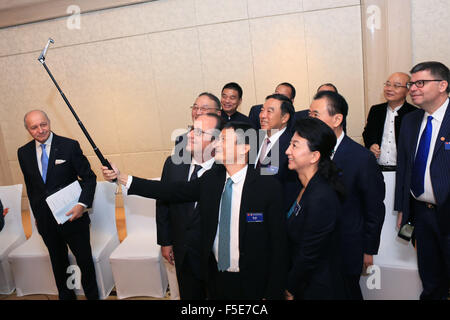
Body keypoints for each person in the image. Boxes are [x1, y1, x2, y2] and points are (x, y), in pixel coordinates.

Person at [103, 122, 288, 300]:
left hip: (253, 282)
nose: (216, 144)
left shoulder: (268, 187)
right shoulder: (211, 180)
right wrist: (122, 178)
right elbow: (171, 191)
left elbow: (279, 247)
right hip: (216, 278)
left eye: (223, 140)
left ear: (244, 148)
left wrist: (272, 293)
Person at [309, 91, 385, 300]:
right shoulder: (309, 154)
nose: (310, 120)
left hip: (347, 246)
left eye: (316, 114)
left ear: (337, 119)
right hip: (316, 247)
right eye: (310, 114)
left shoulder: (361, 158)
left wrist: (368, 249)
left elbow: (374, 207)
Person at [17, 110, 99, 300]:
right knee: (58, 264)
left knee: (84, 263)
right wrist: (37, 216)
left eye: (43, 124)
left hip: (73, 217)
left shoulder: (69, 146)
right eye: (34, 127)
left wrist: (82, 204)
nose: (40, 130)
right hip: (47, 222)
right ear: (28, 130)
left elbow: (89, 178)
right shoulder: (23, 153)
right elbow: (32, 188)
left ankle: (93, 296)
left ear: (49, 122)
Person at [395, 61, 450, 300]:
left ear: (442, 85)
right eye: (411, 83)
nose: (413, 88)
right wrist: (402, 209)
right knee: (431, 280)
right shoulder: (410, 121)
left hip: (448, 212)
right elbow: (404, 169)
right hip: (422, 214)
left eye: (420, 83)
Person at [157, 113, 222, 299]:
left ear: (215, 141)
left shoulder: (225, 171)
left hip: (214, 258)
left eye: (200, 132)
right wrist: (165, 241)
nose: (191, 134)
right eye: (192, 129)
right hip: (181, 250)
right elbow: (162, 203)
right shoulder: (173, 165)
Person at [284, 117, 347, 300]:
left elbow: (309, 252)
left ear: (314, 156)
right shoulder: (302, 187)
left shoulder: (322, 196)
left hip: (318, 287)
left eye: (295, 146)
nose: (288, 151)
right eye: (290, 144)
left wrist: (290, 287)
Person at [362, 72, 417, 170]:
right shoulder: (376, 110)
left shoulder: (414, 114)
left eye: (396, 86)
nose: (389, 89)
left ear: (408, 91)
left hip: (404, 170)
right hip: (378, 169)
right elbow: (367, 133)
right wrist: (371, 145)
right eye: (387, 84)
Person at [174, 92, 221, 158]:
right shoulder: (183, 139)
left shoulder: (228, 140)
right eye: (195, 108)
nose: (198, 112)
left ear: (218, 113)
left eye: (204, 109)